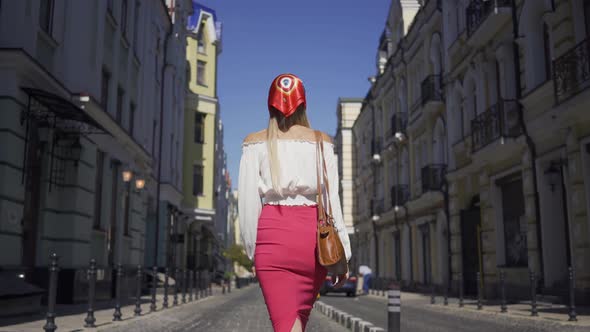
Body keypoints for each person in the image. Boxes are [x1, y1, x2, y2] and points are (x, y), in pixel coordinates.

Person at [238, 73, 352, 332]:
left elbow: (247, 205)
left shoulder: (254, 143)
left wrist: (251, 250)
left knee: (288, 324)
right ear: (304, 104)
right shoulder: (322, 142)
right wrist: (344, 251)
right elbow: (331, 201)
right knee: (296, 321)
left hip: (272, 239)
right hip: (312, 241)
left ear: (270, 104)